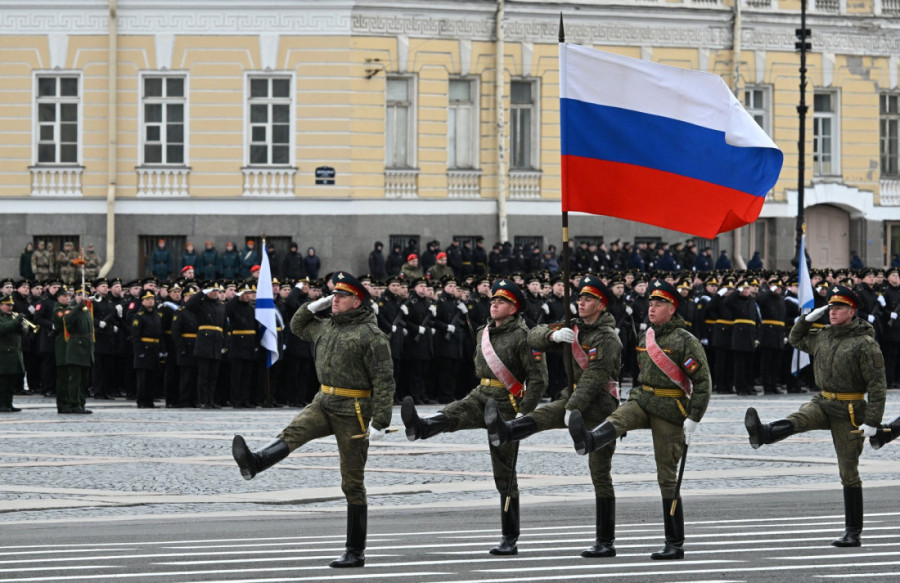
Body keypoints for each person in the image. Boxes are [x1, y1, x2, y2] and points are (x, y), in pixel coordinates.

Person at [232, 271, 395, 568]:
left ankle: (355, 550)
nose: (336, 300)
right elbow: (297, 325)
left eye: (342, 296)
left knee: (352, 481)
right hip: (324, 401)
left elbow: (384, 381)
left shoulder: (371, 336)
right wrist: (315, 305)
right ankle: (256, 462)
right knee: (294, 431)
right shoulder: (327, 325)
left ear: (357, 301)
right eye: (334, 295)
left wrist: (381, 421)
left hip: (354, 410)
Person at [400, 278, 548, 556]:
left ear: (514, 308)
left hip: (507, 402)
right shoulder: (484, 331)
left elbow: (539, 379)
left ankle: (509, 537)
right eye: (494, 300)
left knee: (504, 470)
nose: (494, 305)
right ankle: (421, 428)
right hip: (482, 393)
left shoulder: (524, 336)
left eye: (501, 301)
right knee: (453, 412)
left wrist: (523, 415)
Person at [567, 279, 711, 560]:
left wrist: (694, 417)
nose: (652, 308)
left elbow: (703, 382)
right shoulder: (646, 337)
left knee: (667, 476)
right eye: (651, 303)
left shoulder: (685, 340)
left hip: (670, 408)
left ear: (672, 309)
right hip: (643, 398)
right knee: (619, 417)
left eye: (659, 304)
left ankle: (674, 543)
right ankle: (590, 439)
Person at [485, 275, 622, 557]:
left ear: (601, 305)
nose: (580, 303)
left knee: (600, 473)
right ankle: (506, 430)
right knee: (543, 415)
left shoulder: (608, 337)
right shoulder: (574, 326)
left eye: (587, 299)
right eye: (580, 298)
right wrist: (554, 336)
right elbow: (532, 336)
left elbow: (595, 378)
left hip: (600, 408)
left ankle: (605, 542)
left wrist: (573, 407)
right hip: (573, 399)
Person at [745, 285, 885, 548]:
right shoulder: (824, 335)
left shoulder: (865, 344)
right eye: (831, 307)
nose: (833, 312)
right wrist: (806, 319)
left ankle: (853, 531)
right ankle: (764, 433)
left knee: (848, 471)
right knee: (800, 418)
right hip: (823, 401)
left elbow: (878, 386)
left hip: (850, 410)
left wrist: (872, 422)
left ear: (852, 311)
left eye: (839, 308)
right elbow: (795, 339)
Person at [130, 290, 163, 408]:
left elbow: (160, 334)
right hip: (144, 348)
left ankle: (150, 400)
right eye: (148, 299)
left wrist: (162, 349)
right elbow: (135, 336)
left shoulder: (157, 315)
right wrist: (139, 351)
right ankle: (142, 401)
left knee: (152, 377)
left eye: (152, 299)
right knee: (143, 378)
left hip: (154, 348)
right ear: (142, 301)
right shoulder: (139, 316)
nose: (150, 301)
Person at [0, 293, 27, 412]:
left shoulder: (12, 316)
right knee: (3, 382)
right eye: (7, 305)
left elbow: (25, 332)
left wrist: (21, 326)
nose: (10, 307)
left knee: (12, 381)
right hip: (3, 354)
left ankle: (9, 403)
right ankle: (2, 404)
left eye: (11, 305)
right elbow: (2, 329)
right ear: (0, 305)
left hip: (15, 353)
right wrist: (16, 321)